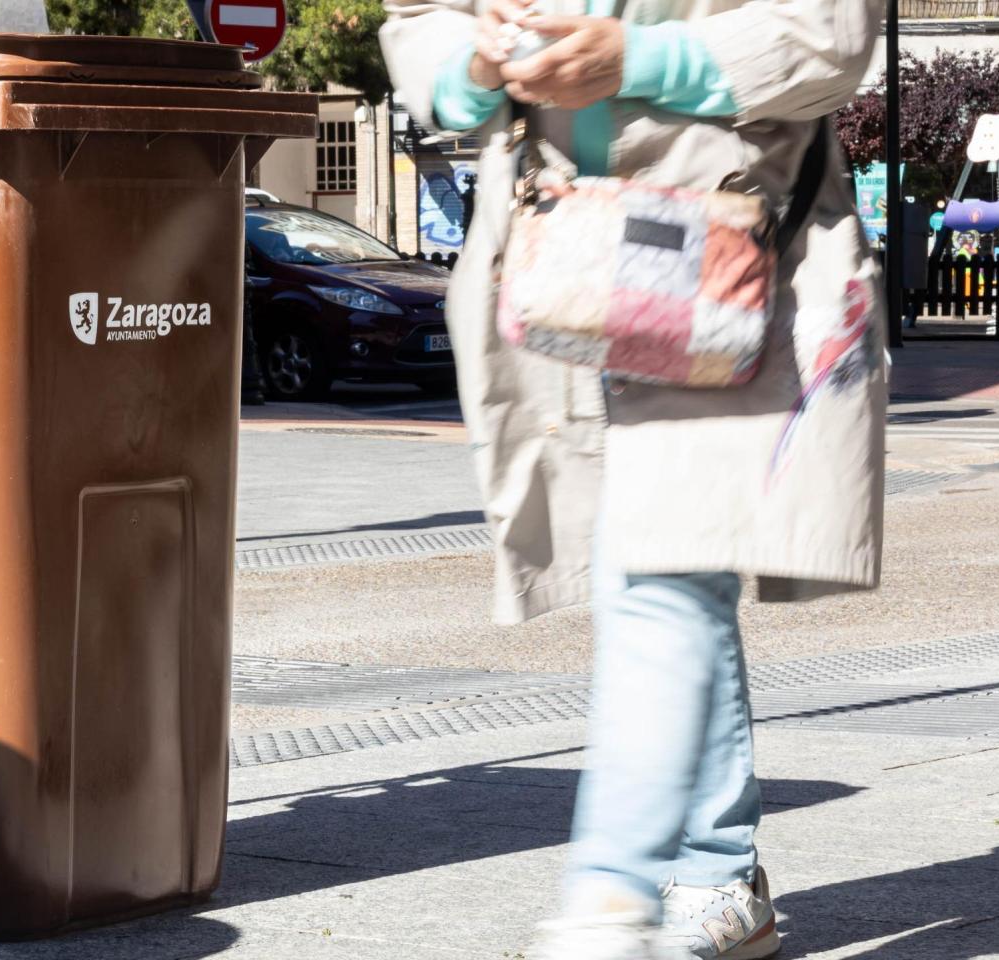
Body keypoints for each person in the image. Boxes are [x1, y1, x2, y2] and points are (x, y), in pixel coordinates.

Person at [380, 2, 885, 958]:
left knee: (662, 569)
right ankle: (715, 869)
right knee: (659, 562)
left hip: (733, 246)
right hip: (560, 254)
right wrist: (475, 67)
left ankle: (611, 902)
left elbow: (830, 34)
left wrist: (638, 60)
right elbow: (421, 21)